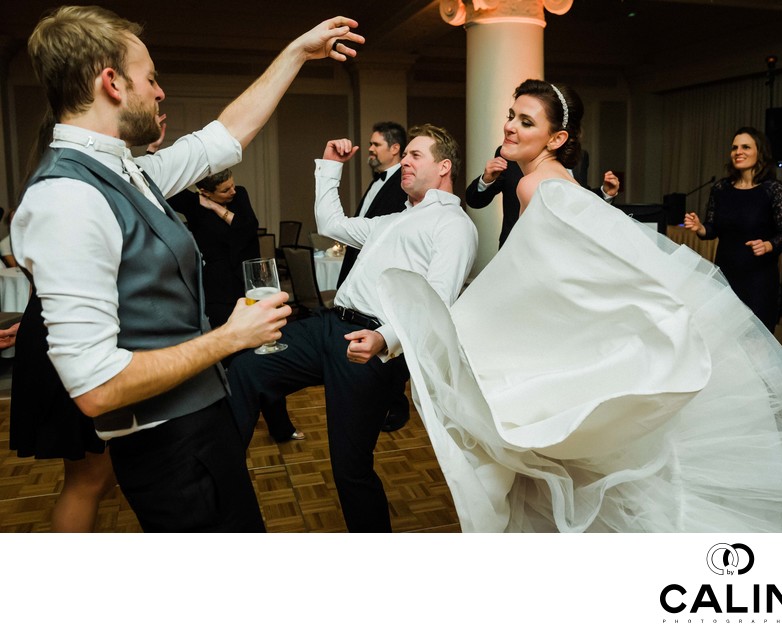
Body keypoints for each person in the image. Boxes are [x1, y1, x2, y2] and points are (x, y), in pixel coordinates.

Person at [375, 79, 782, 532]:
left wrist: (454, 327)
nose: (510, 127)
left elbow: (535, 280)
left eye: (526, 121)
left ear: (557, 139)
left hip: (555, 325)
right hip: (576, 321)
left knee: (528, 442)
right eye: (511, 116)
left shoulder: (536, 186)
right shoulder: (560, 182)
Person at [10, 5, 363, 532]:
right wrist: (230, 337)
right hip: (166, 444)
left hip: (199, 426)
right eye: (150, 79)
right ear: (111, 83)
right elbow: (96, 388)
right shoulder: (67, 196)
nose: (159, 92)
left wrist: (295, 55)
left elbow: (222, 138)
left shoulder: (124, 169)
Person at [227, 124, 478, 532]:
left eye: (416, 155)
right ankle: (221, 488)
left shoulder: (453, 226)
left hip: (369, 346)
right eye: (405, 155)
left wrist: (385, 338)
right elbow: (330, 222)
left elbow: (437, 302)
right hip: (330, 327)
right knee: (245, 368)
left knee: (350, 467)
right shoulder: (392, 220)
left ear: (444, 166)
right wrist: (330, 167)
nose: (405, 163)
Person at [168, 169, 305, 443]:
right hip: (218, 292)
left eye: (231, 186)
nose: (232, 191)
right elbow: (161, 186)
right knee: (229, 361)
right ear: (204, 191)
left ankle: (281, 426)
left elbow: (246, 229)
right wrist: (152, 151)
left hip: (251, 288)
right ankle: (231, 428)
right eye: (224, 190)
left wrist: (216, 209)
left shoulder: (239, 195)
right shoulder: (193, 204)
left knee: (266, 356)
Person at [336, 121, 411, 432]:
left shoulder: (401, 187)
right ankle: (375, 400)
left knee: (387, 345)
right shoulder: (377, 181)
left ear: (395, 149)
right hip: (359, 264)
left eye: (375, 144)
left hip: (381, 277)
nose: (369, 149)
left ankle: (392, 405)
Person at [684, 127, 782, 333]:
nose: (738, 151)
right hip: (725, 276)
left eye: (745, 147)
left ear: (759, 153)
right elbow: (712, 229)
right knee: (725, 336)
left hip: (759, 279)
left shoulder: (773, 190)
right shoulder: (721, 189)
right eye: (734, 147)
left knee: (756, 339)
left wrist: (768, 245)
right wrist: (699, 228)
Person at [465, 146, 619, 248]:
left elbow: (580, 199)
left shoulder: (579, 157)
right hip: (516, 248)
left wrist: (605, 193)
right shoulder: (510, 155)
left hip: (566, 249)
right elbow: (475, 201)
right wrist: (486, 180)